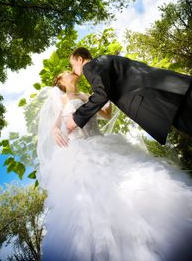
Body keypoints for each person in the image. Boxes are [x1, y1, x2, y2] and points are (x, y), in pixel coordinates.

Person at [36, 71, 192, 261]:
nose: (70, 72)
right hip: (79, 151)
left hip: (101, 142)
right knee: (92, 198)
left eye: (70, 70)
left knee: (132, 179)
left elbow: (106, 114)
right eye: (66, 73)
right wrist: (53, 130)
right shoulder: (61, 98)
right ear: (59, 80)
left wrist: (106, 91)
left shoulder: (86, 95)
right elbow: (56, 123)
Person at [66, 47, 192, 145]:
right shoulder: (107, 60)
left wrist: (77, 118)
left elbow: (101, 94)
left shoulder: (90, 66)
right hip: (174, 86)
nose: (73, 69)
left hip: (160, 103)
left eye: (72, 65)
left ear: (80, 60)